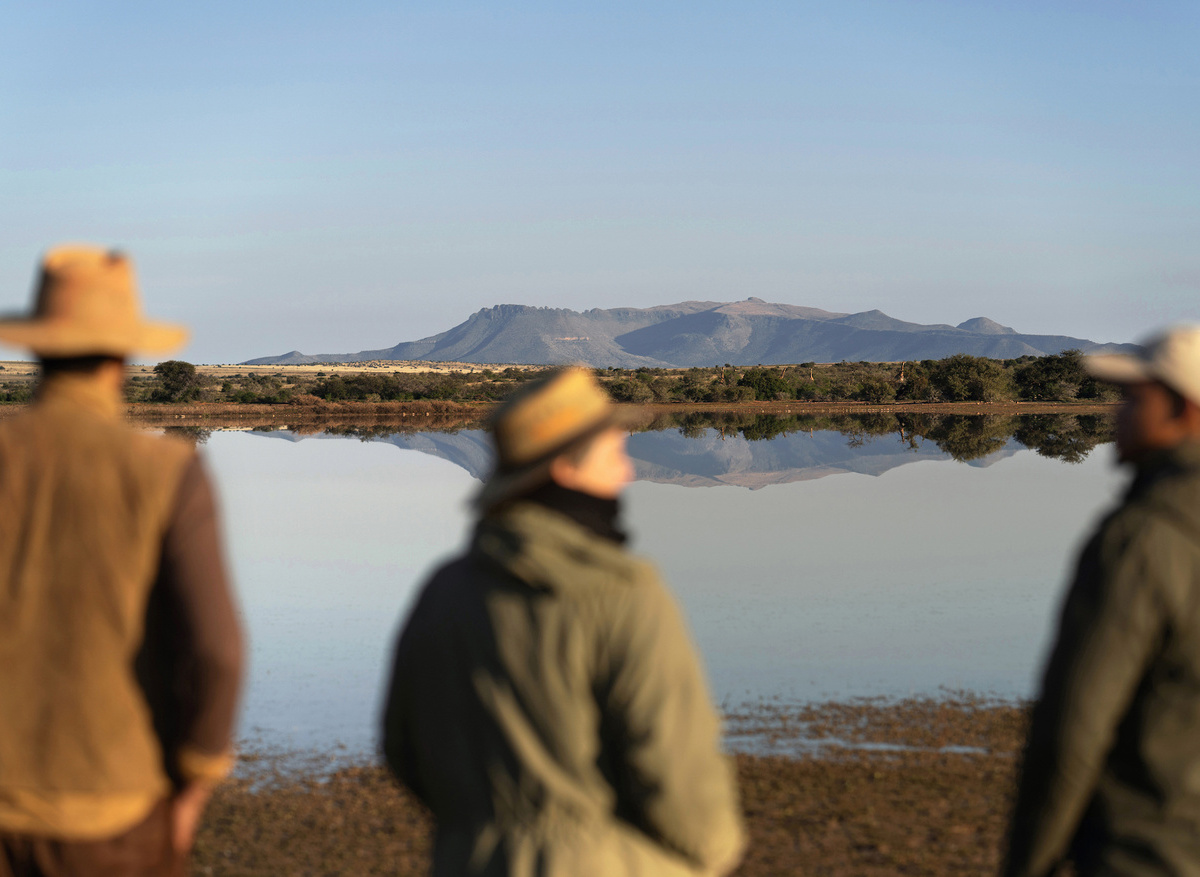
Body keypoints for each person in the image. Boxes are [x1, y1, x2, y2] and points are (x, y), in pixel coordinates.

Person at [382, 366, 745, 876]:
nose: (627, 473)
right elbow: (678, 776)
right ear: (565, 469)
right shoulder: (622, 593)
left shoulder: (445, 590)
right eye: (614, 454)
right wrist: (706, 855)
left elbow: (402, 747)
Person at [0, 245, 244, 876]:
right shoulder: (166, 471)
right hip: (114, 815)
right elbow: (217, 652)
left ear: (39, 347)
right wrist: (194, 779)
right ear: (121, 355)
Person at [1005, 326, 1200, 877]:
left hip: (1146, 853)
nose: (1118, 413)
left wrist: (1029, 862)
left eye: (1135, 398)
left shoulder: (1143, 538)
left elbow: (1073, 732)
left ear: (1184, 408)